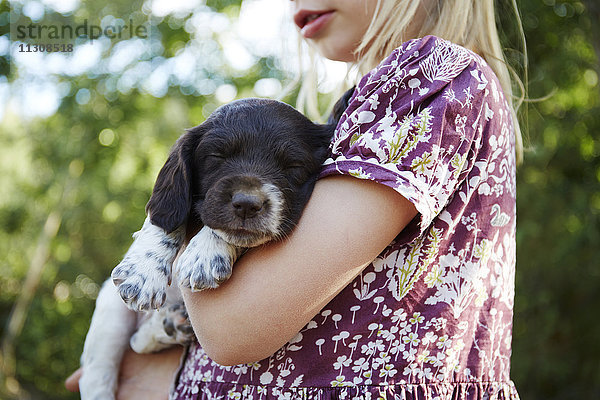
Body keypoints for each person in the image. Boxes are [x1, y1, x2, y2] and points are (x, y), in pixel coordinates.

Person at [67, 0, 525, 398]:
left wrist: (207, 228)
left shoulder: (433, 77)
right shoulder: (353, 119)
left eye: (288, 171)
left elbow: (233, 331)